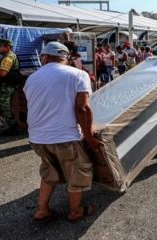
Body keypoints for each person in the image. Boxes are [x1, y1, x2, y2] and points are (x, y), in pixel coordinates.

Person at [24, 42, 102, 222]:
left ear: (44, 57)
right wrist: (90, 138)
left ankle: (42, 210)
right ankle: (75, 211)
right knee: (76, 174)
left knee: (49, 172)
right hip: (64, 137)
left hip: (37, 138)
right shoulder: (78, 74)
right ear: (66, 58)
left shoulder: (32, 78)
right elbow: (82, 109)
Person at [0, 39, 20, 135]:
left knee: (5, 106)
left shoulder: (8, 58)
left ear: (8, 47)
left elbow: (3, 73)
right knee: (7, 106)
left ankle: (13, 127)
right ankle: (12, 126)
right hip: (8, 85)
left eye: (1, 46)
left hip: (6, 86)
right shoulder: (9, 56)